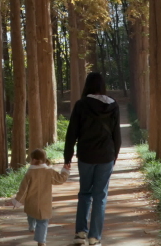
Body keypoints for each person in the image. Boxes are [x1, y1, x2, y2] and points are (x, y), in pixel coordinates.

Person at [63, 72, 121, 246]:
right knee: (100, 196)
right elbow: (116, 134)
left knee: (85, 194)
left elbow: (72, 132)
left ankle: (80, 233)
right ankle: (95, 237)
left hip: (86, 156)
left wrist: (68, 156)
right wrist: (114, 156)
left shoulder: (81, 105)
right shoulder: (113, 105)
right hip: (106, 156)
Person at [8, 149, 71, 246]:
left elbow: (23, 190)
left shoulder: (29, 173)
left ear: (33, 159)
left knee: (31, 214)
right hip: (44, 203)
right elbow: (60, 180)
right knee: (43, 222)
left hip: (31, 202)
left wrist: (17, 201)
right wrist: (65, 170)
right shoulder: (49, 171)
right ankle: (41, 241)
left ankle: (32, 227)